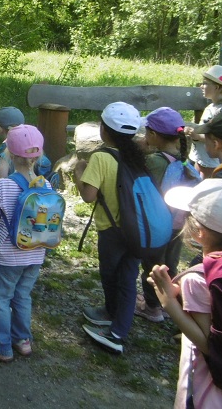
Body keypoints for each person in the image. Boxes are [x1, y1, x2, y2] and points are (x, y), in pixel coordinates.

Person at [151, 179, 222, 409]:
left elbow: (208, 344)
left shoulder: (198, 277)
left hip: (212, 390)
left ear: (199, 232)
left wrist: (168, 302)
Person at [73, 101, 144, 354]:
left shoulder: (101, 157)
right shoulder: (137, 155)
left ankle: (112, 318)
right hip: (138, 229)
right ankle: (119, 325)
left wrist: (79, 172)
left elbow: (88, 196)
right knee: (128, 278)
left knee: (110, 275)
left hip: (112, 229)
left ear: (103, 129)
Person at [0, 125, 47, 362]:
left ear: (10, 155)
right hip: (36, 252)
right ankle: (22, 340)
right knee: (23, 296)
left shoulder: (4, 185)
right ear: (38, 155)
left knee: (1, 298)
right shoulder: (45, 185)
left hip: (9, 254)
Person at [135, 106, 191, 323]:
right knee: (170, 263)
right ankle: (168, 304)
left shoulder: (155, 162)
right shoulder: (183, 159)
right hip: (179, 223)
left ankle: (152, 307)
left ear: (153, 135)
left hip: (158, 224)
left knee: (153, 266)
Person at [186, 65, 222, 178]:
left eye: (205, 83)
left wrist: (197, 136)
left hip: (210, 163)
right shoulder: (211, 107)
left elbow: (220, 140)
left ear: (217, 87)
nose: (201, 86)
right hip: (200, 157)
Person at [0, 107, 51, 179]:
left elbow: (1, 177)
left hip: (12, 183)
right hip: (37, 182)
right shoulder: (31, 143)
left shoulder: (4, 149)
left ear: (0, 128)